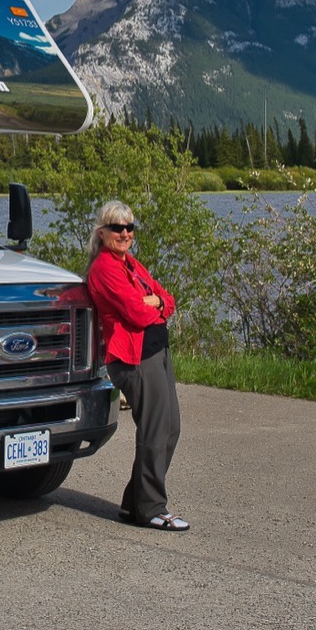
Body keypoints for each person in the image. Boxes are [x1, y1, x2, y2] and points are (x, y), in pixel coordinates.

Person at [84, 200, 188, 532]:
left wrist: (156, 301)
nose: (125, 233)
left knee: (171, 429)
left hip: (157, 352)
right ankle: (152, 508)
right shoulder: (104, 269)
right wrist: (153, 304)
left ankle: (135, 503)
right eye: (118, 228)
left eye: (130, 227)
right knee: (155, 431)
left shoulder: (131, 264)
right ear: (102, 233)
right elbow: (135, 313)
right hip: (134, 359)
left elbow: (167, 298)